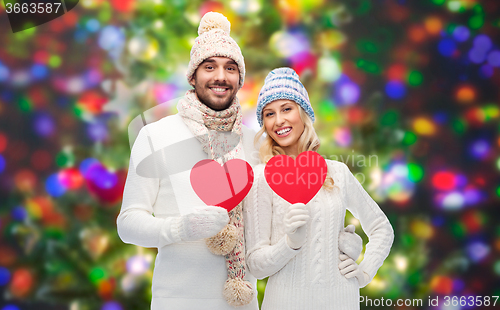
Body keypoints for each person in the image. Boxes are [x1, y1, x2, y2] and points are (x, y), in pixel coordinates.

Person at [117, 12, 260, 309]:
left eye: (230, 68)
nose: (221, 76)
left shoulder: (255, 144)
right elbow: (127, 223)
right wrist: (180, 229)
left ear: (239, 79)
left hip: (242, 302)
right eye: (210, 66)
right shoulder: (156, 135)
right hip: (177, 301)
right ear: (193, 76)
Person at [244, 67, 394, 309]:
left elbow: (381, 228)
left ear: (303, 113)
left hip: (341, 300)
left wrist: (365, 271)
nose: (279, 120)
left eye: (287, 109)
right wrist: (290, 243)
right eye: (269, 114)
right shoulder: (262, 178)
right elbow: (256, 266)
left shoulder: (337, 172)